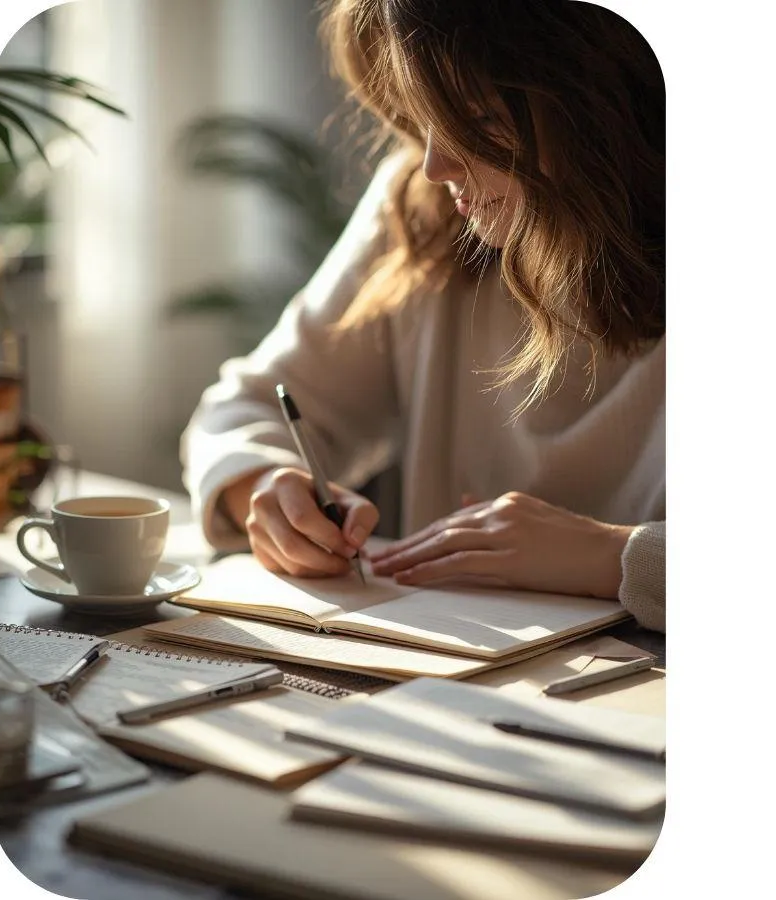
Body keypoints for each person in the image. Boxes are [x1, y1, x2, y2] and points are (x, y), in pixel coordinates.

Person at [180, 0, 665, 633]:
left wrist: (614, 555)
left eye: (481, 120)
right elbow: (244, 407)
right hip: (445, 677)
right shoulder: (421, 211)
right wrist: (268, 484)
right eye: (423, 118)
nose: (437, 164)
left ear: (602, 107)